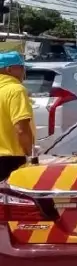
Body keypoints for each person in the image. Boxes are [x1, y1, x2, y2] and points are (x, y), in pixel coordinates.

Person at [0, 50, 35, 182]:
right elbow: (21, 129)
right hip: (10, 160)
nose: (23, 72)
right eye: (21, 68)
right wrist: (30, 155)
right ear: (9, 69)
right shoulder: (15, 90)